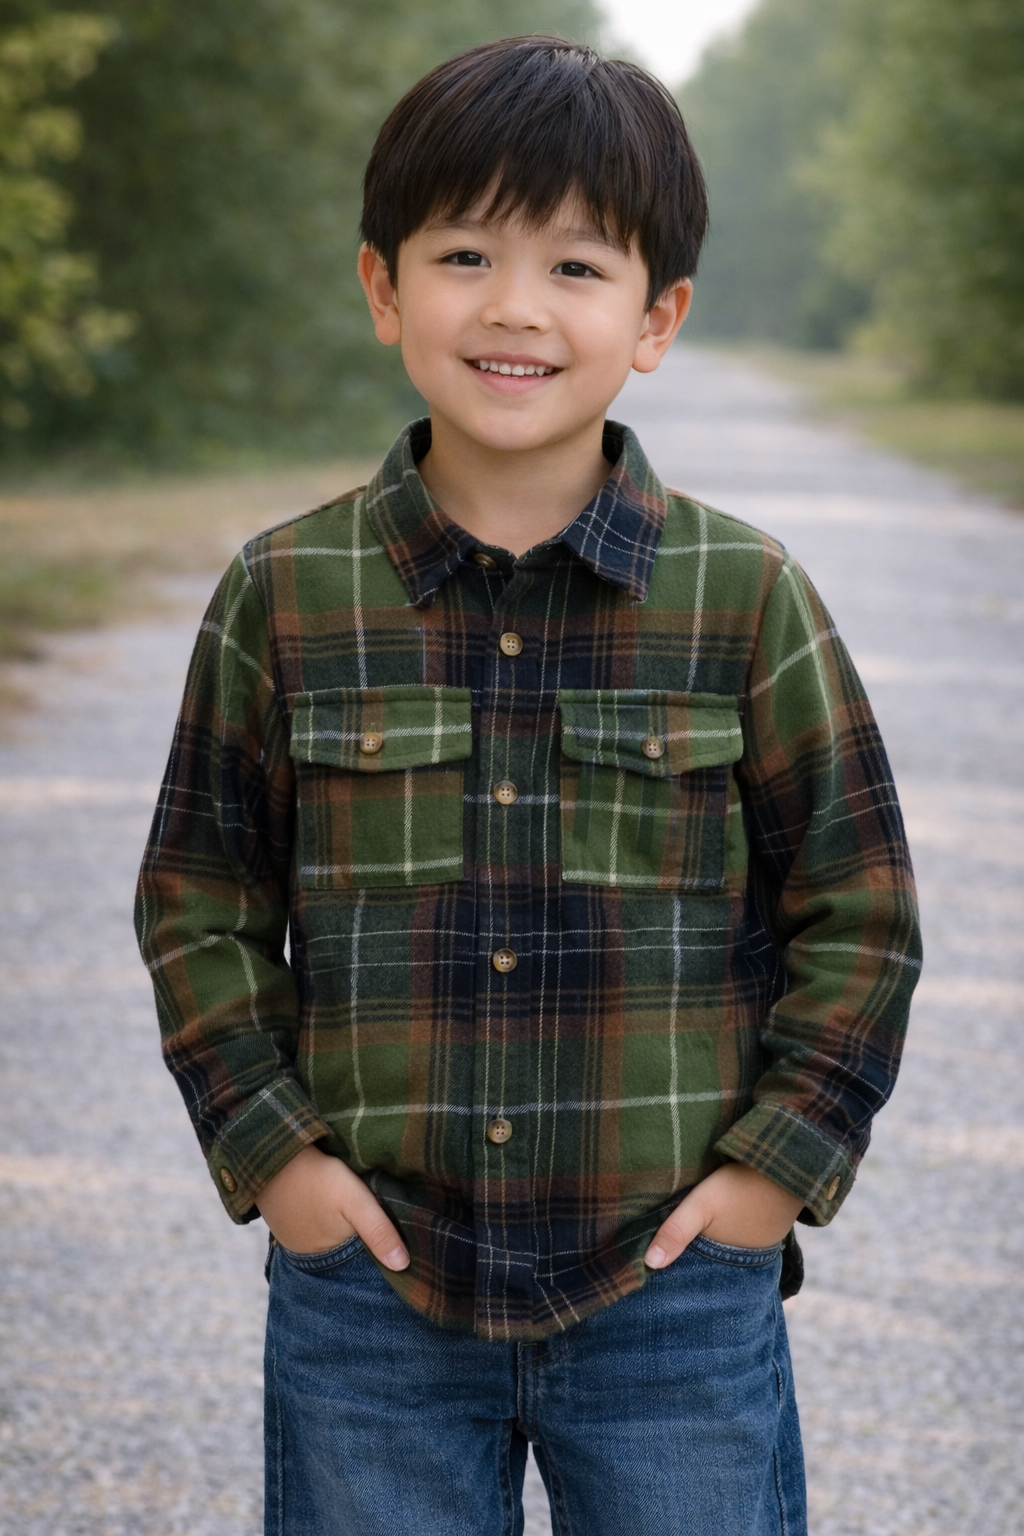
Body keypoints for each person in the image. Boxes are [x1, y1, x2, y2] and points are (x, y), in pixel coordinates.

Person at [136, 36, 921, 1536]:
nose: (513, 307)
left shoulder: (744, 597)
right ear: (383, 290)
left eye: (576, 266)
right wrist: (276, 1157)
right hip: (373, 1291)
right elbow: (198, 901)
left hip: (671, 1294)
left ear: (658, 317)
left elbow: (862, 909)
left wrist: (774, 1175)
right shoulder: (284, 594)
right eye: (465, 253)